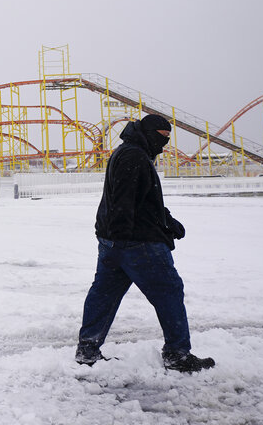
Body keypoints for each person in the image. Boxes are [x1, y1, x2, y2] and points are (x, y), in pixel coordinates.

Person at [75, 114, 215, 373]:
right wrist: (125, 238)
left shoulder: (129, 152)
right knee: (169, 291)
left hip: (113, 241)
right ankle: (177, 354)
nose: (164, 145)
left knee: (104, 295)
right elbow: (123, 202)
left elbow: (142, 198)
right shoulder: (134, 157)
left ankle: (87, 350)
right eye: (163, 138)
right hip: (135, 243)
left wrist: (166, 220)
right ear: (150, 133)